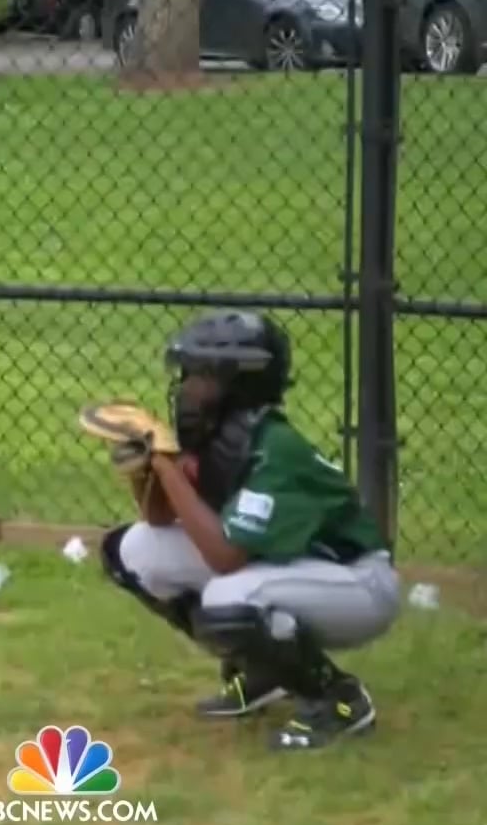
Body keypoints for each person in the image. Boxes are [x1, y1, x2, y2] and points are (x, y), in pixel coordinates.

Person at [98, 309, 401, 751]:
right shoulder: (220, 435)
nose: (186, 388)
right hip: (293, 565)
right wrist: (147, 471)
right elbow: (160, 521)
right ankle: (262, 674)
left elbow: (225, 556)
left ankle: (338, 700)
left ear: (240, 384)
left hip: (358, 583)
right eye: (187, 373)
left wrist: (168, 468)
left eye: (201, 375)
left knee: (229, 600)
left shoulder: (274, 449)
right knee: (132, 551)